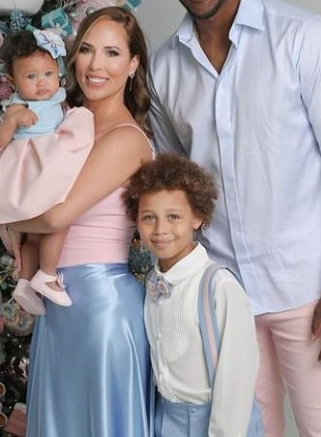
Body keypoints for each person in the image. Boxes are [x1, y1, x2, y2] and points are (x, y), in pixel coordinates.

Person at [148, 0, 321, 437]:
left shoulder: (304, 37)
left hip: (308, 287)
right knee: (241, 431)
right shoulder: (163, 66)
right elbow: (172, 179)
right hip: (223, 292)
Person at [8, 6, 154, 437]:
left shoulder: (126, 138)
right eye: (87, 49)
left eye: (112, 53)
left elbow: (56, 213)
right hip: (58, 307)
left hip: (101, 307)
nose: (95, 64)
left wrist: (13, 219)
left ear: (132, 65)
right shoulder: (66, 121)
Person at [123, 152, 259, 437]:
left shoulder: (218, 287)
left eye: (174, 217)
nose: (161, 230)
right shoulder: (152, 284)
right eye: (149, 218)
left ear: (197, 216)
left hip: (213, 423)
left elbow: (237, 379)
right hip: (164, 420)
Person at [0, 29, 94, 315]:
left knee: (38, 235)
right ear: (13, 82)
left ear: (58, 73)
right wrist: (12, 123)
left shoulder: (59, 99)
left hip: (48, 165)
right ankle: (47, 274)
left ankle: (25, 283)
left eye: (48, 74)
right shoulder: (17, 107)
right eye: (31, 77)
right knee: (58, 219)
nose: (42, 84)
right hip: (29, 171)